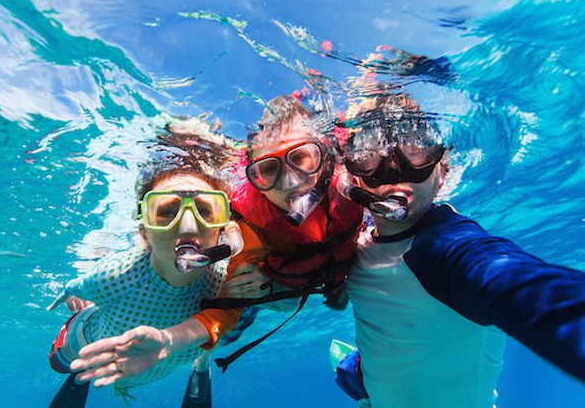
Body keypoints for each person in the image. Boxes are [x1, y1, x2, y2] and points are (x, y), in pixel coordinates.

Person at [66, 94, 365, 388]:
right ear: (254, 180)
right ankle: (203, 355)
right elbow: (221, 314)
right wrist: (169, 341)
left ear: (324, 154)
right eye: (269, 170)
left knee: (340, 302)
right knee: (235, 323)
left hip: (331, 279)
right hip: (276, 291)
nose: (291, 182)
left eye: (300, 158)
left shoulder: (359, 183)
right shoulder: (249, 228)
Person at [337, 92, 585, 408]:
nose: (395, 169)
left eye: (415, 150)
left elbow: (519, 284)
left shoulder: (444, 247)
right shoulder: (356, 240)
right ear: (356, 175)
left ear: (443, 172)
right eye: (371, 156)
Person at [46, 149, 244, 407]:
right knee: (58, 363)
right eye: (166, 212)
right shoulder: (118, 273)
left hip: (169, 357)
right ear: (144, 231)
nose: (187, 225)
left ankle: (202, 360)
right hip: (93, 342)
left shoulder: (226, 278)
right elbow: (80, 284)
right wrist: (72, 291)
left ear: (222, 227)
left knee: (223, 331)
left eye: (205, 211)